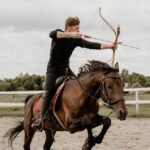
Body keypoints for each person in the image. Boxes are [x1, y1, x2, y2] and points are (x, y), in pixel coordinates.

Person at [32, 16, 118, 131]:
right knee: (49, 91)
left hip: (66, 70)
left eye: (78, 28)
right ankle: (41, 121)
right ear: (69, 28)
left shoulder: (75, 40)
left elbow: (92, 45)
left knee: (79, 87)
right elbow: (51, 34)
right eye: (76, 28)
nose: (78, 30)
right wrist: (70, 35)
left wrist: (110, 46)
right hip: (52, 71)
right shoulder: (58, 34)